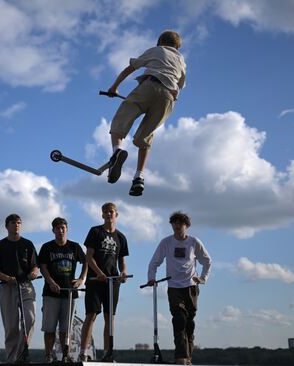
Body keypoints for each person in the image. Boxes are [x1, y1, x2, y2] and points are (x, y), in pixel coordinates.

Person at [105, 30, 186, 196]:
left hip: (150, 86)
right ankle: (139, 177)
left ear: (160, 42)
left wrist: (114, 87)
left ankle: (116, 152)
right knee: (145, 137)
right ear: (177, 46)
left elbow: (130, 68)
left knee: (121, 120)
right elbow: (180, 84)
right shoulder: (181, 61)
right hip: (168, 98)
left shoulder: (157, 50)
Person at [147, 211, 212, 365]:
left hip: (191, 287)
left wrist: (203, 278)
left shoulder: (194, 242)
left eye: (180, 223)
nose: (177, 226)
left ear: (186, 226)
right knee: (179, 319)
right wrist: (151, 277)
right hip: (174, 287)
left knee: (189, 323)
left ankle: (188, 356)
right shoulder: (166, 242)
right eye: (174, 223)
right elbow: (154, 262)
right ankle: (180, 357)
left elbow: (207, 261)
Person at [79, 202, 129, 362]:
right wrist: (99, 273)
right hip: (95, 280)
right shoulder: (95, 231)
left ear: (116, 215)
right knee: (91, 314)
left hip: (112, 282)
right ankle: (83, 351)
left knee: (109, 317)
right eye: (106, 212)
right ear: (102, 215)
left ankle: (108, 352)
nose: (109, 214)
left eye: (111, 211)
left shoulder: (121, 237)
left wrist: (123, 272)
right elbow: (88, 256)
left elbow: (122, 260)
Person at [0, 214, 39, 363]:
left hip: (26, 286)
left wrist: (34, 272)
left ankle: (22, 355)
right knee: (11, 326)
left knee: (30, 318)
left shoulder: (28, 244)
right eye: (13, 223)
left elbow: (35, 265)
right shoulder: (0, 245)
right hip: (7, 287)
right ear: (6, 226)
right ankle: (12, 359)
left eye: (18, 223)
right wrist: (6, 278)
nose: (16, 225)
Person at [38, 217, 88, 362]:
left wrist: (81, 279)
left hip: (70, 293)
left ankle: (66, 355)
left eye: (63, 228)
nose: (60, 231)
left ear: (67, 229)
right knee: (49, 327)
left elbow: (86, 261)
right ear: (53, 230)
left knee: (66, 329)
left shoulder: (75, 247)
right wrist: (51, 282)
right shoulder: (47, 247)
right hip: (51, 293)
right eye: (57, 228)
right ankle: (48, 354)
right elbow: (43, 267)